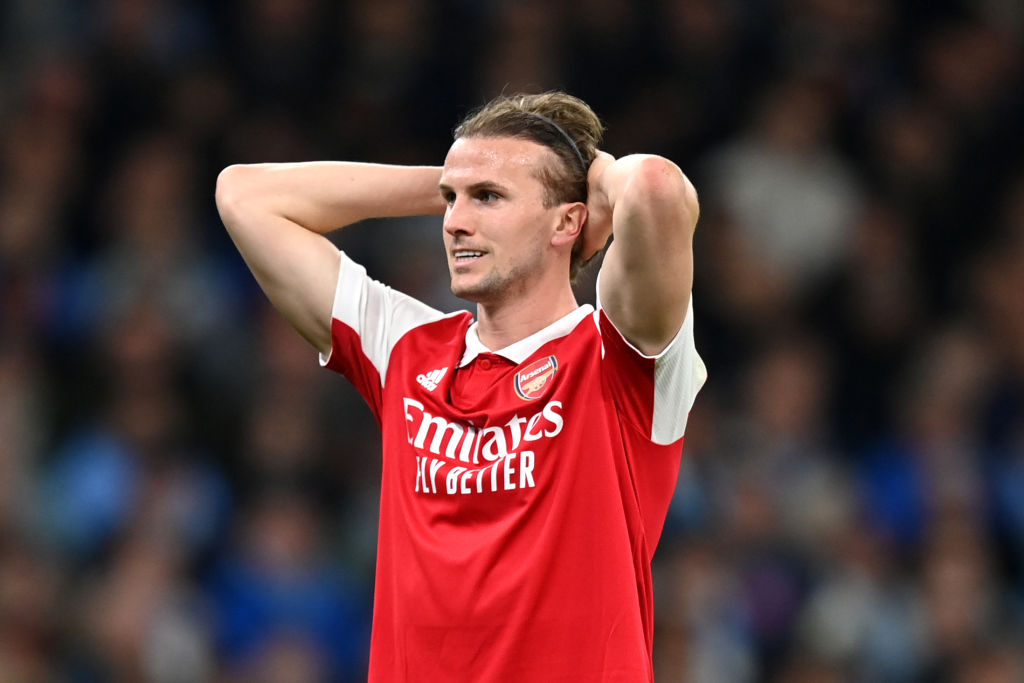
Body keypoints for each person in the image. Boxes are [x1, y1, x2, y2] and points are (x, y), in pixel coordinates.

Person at [215, 91, 706, 682]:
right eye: (453, 200)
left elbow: (655, 186)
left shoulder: (619, 355)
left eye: (488, 198)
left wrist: (585, 172)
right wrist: (459, 177)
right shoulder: (404, 348)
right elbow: (244, 195)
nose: (453, 222)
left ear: (568, 221)